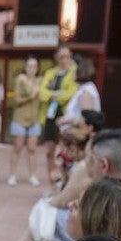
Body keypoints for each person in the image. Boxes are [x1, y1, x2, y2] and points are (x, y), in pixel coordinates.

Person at [38, 46, 78, 190]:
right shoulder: (50, 73)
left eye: (67, 57)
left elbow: (71, 93)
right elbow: (42, 92)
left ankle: (65, 183)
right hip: (49, 116)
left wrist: (54, 95)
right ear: (56, 58)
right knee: (49, 150)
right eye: (61, 57)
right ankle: (52, 184)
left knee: (64, 151)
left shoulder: (73, 73)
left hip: (64, 115)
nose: (64, 60)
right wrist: (55, 94)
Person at [7, 56, 42, 187]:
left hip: (34, 119)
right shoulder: (20, 80)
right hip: (20, 119)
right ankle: (12, 175)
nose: (31, 69)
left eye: (34, 66)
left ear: (37, 68)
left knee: (32, 149)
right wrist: (30, 95)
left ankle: (32, 175)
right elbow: (16, 100)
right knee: (17, 147)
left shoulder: (40, 81)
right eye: (29, 66)